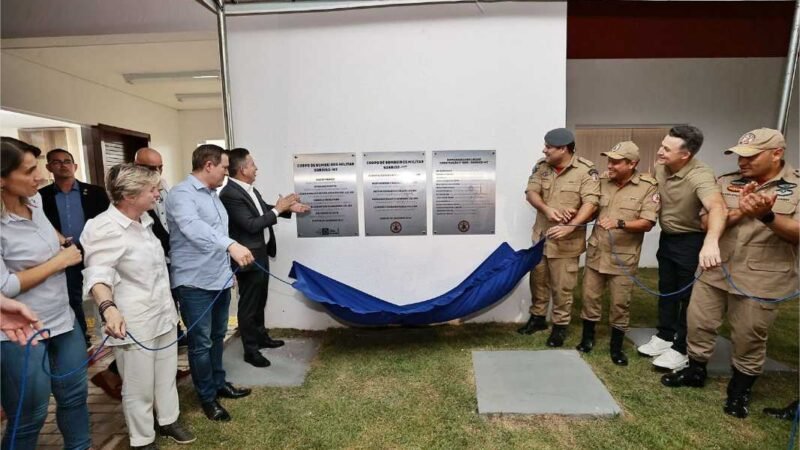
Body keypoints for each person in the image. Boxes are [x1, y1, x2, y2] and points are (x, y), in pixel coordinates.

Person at [662, 128, 799, 419]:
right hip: (715, 267)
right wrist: (742, 212)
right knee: (698, 322)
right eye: (739, 156)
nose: (742, 163)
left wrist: (768, 216)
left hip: (762, 276)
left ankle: (740, 389)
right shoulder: (725, 182)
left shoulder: (797, 187)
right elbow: (705, 222)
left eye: (751, 156)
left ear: (777, 154)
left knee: (749, 335)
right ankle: (695, 370)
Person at [82, 163, 195, 449]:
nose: (158, 194)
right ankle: (142, 438)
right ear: (129, 196)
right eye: (152, 190)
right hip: (134, 322)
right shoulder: (104, 227)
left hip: (163, 314)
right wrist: (109, 308)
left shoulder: (144, 221)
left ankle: (168, 420)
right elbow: (98, 274)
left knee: (166, 375)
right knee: (138, 385)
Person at [0, 137, 90, 450]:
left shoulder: (35, 203)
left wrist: (63, 245)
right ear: (1, 178)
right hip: (20, 333)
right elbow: (4, 287)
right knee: (30, 414)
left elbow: (57, 241)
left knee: (76, 398)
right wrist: (59, 262)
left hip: (63, 320)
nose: (40, 176)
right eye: (28, 171)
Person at [167, 144, 254, 422]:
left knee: (218, 336)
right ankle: (207, 397)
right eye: (224, 167)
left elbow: (217, 233)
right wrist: (231, 245)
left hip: (218, 279)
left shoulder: (214, 196)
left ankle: (219, 383)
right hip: (194, 283)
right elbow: (193, 228)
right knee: (200, 343)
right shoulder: (182, 195)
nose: (227, 173)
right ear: (208, 165)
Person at [637, 125, 727, 370]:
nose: (659, 151)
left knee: (690, 297)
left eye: (667, 148)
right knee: (667, 289)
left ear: (685, 155)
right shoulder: (660, 168)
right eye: (661, 145)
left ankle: (682, 347)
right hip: (668, 238)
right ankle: (665, 335)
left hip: (692, 241)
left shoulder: (700, 175)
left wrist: (711, 242)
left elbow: (718, 207)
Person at [220, 148, 309, 367]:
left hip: (260, 254)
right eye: (252, 164)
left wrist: (289, 209)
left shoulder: (249, 189)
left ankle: (261, 337)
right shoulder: (230, 194)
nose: (256, 168)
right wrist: (278, 210)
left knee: (260, 300)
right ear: (242, 169)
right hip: (248, 258)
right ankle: (251, 350)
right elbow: (250, 224)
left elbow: (263, 210)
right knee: (249, 305)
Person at [575, 141, 659, 366]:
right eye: (609, 160)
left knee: (620, 304)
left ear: (632, 164)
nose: (609, 165)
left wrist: (619, 223)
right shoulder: (601, 182)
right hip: (596, 254)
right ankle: (587, 339)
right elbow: (590, 208)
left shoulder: (647, 187)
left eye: (615, 161)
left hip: (623, 258)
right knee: (589, 299)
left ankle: (616, 347)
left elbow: (648, 222)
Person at [518, 128, 600, 347]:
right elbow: (531, 192)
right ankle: (537, 318)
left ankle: (560, 326)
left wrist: (571, 226)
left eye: (549, 147)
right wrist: (546, 209)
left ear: (563, 149)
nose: (544, 150)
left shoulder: (586, 171)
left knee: (562, 286)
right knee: (538, 281)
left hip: (566, 243)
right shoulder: (541, 166)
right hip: (541, 238)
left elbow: (591, 203)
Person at [40, 148, 110, 346]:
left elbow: (106, 221)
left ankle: (112, 332)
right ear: (48, 167)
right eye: (56, 162)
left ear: (75, 166)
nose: (63, 165)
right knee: (72, 299)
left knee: (104, 292)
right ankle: (82, 341)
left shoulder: (95, 192)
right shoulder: (41, 197)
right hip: (64, 255)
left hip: (94, 251)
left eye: (67, 161)